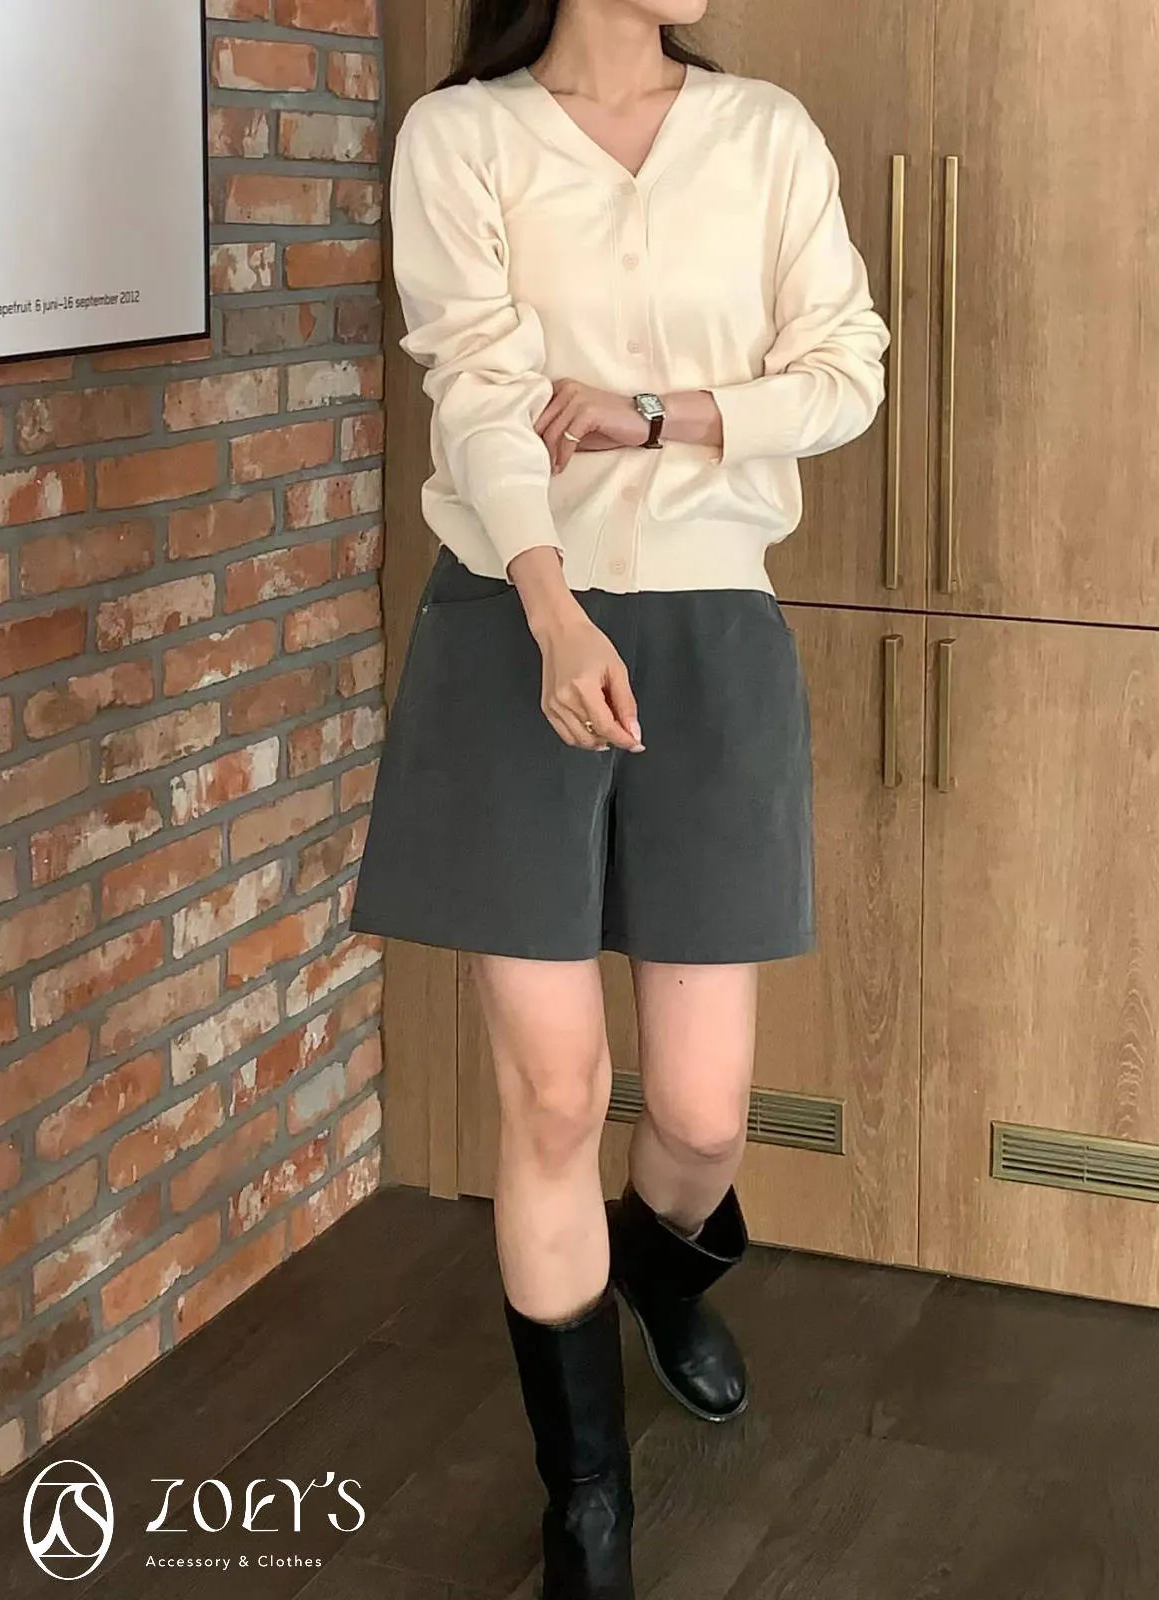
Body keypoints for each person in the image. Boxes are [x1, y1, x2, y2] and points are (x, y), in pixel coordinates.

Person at [350, 0, 890, 1593]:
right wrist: (550, 604)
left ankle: (660, 1275)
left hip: (714, 631)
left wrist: (668, 416)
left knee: (705, 1114)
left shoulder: (764, 134)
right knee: (555, 1097)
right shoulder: (461, 138)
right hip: (513, 620)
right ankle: (588, 1509)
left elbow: (846, 370)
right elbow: (475, 389)